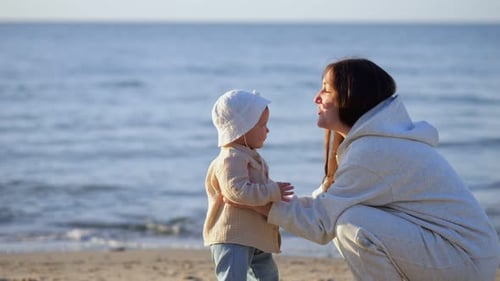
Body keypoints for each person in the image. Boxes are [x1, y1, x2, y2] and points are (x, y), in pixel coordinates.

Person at [230, 58, 500, 280]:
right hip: (465, 255)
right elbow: (324, 207)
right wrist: (261, 197)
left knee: (350, 225)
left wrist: (249, 201)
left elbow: (321, 224)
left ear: (349, 97)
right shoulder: (371, 142)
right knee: (346, 217)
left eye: (325, 90)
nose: (316, 98)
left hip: (464, 261)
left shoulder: (373, 150)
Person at [203, 89, 294, 281]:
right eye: (262, 124)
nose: (267, 130)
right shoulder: (230, 157)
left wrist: (279, 201)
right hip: (233, 235)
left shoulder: (249, 157)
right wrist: (272, 191)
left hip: (255, 235)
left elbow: (256, 187)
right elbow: (236, 191)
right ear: (242, 128)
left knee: (268, 276)